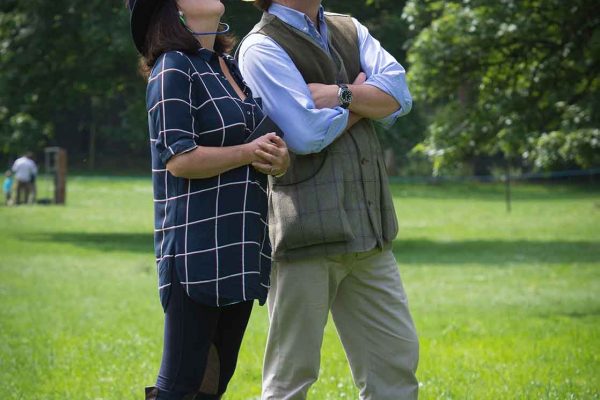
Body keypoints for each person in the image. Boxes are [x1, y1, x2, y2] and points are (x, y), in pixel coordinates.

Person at [237, 1, 419, 399]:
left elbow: (400, 95)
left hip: (371, 233)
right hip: (305, 235)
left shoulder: (349, 27)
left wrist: (337, 94)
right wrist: (362, 101)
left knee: (396, 370)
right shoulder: (260, 47)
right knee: (290, 381)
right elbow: (305, 133)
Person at [126, 0, 290, 399]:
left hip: (242, 248)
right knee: (181, 385)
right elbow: (180, 159)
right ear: (173, 8)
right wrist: (250, 153)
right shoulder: (172, 68)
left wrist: (278, 160)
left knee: (214, 385)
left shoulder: (227, 65)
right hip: (196, 252)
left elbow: (261, 140)